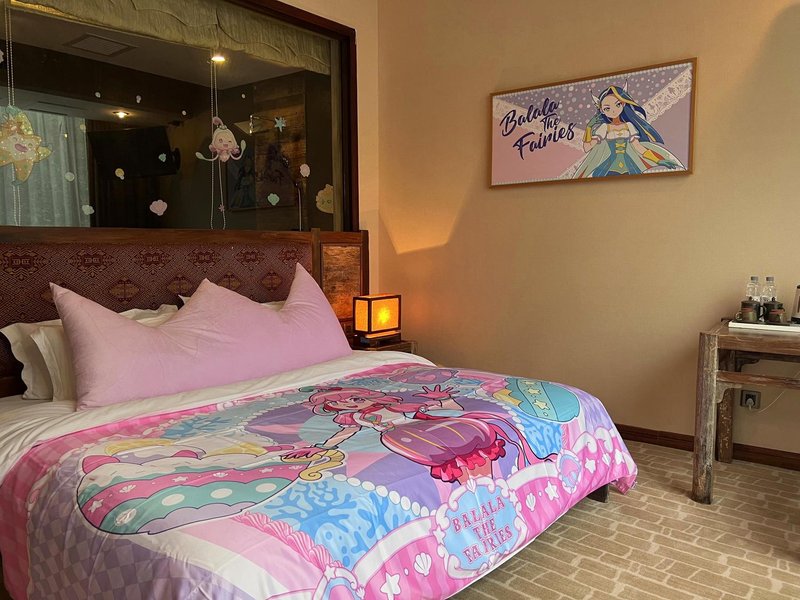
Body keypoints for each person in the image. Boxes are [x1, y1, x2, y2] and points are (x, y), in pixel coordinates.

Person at [283, 385, 545, 484]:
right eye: (340, 404)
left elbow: (428, 409)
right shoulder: (355, 419)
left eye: (354, 398)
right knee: (442, 457)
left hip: (419, 429)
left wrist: (444, 401)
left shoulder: (392, 407)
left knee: (460, 443)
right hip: (402, 439)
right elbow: (346, 433)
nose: (349, 404)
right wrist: (323, 447)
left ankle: (489, 488)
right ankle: (482, 489)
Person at [574, 82, 684, 178]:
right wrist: (589, 128)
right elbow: (587, 147)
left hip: (629, 165)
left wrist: (658, 160)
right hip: (608, 167)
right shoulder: (604, 128)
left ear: (623, 104)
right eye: (607, 108)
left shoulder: (629, 126)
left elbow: (638, 147)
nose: (613, 111)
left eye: (617, 104)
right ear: (602, 110)